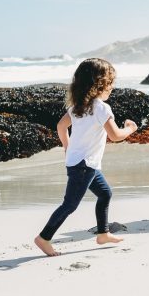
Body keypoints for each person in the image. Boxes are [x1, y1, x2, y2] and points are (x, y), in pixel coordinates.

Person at [34, 58, 137, 257]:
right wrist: (130, 129)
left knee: (105, 193)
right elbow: (115, 135)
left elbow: (60, 126)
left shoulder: (78, 106)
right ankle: (44, 237)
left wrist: (67, 147)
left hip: (83, 163)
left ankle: (103, 233)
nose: (112, 87)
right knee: (70, 204)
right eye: (110, 83)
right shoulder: (100, 108)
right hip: (84, 166)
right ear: (99, 84)